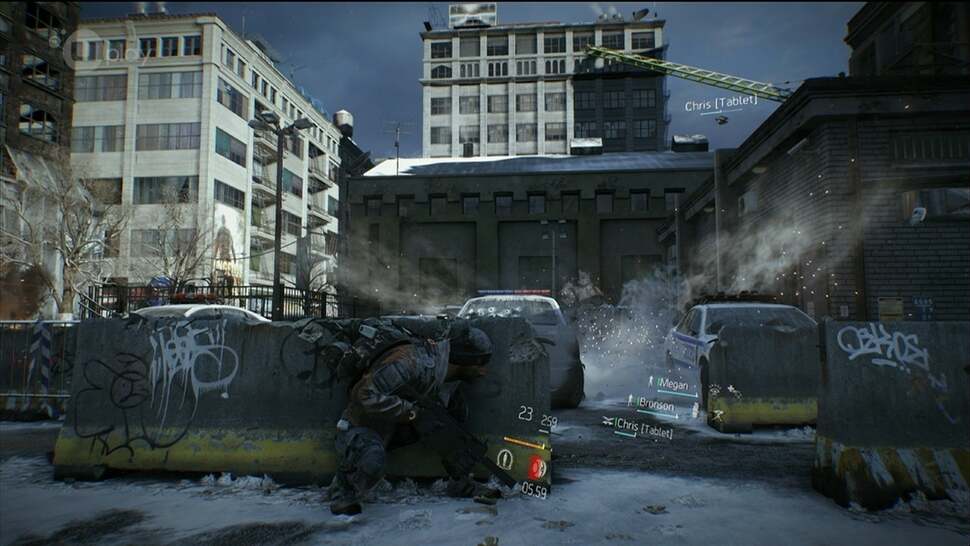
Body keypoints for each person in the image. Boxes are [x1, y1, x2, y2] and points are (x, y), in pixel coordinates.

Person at [329, 321, 494, 516]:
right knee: (372, 460)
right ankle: (342, 490)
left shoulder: (447, 375)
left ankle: (459, 482)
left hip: (398, 427)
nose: (483, 372)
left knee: (454, 418)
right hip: (364, 425)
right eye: (479, 364)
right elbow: (364, 395)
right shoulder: (410, 361)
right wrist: (412, 412)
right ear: (463, 361)